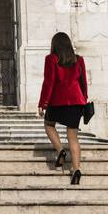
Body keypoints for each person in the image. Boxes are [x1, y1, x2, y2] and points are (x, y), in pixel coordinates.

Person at [39, 32, 88, 185]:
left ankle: (60, 150)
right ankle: (76, 169)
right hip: (77, 102)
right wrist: (84, 99)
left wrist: (43, 103)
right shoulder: (78, 60)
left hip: (57, 101)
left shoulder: (51, 59)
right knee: (73, 137)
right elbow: (83, 82)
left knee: (49, 125)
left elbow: (49, 82)